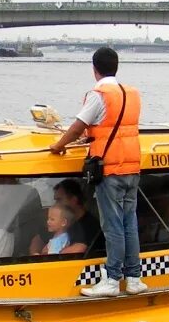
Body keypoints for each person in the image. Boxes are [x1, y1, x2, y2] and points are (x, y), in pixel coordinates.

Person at [48, 46, 145, 296]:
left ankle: (112, 280)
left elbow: (77, 127)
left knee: (112, 225)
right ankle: (134, 279)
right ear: (116, 66)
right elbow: (116, 128)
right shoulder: (131, 93)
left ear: (95, 69)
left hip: (110, 170)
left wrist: (59, 146)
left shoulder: (99, 93)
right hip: (132, 167)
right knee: (129, 224)